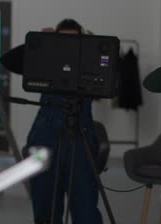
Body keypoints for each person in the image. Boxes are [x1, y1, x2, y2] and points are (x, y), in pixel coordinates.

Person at [23, 19, 103, 224]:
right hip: (44, 138)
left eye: (73, 41)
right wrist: (42, 42)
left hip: (80, 137)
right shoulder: (45, 60)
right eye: (62, 40)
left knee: (85, 208)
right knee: (44, 207)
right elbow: (9, 60)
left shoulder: (88, 64)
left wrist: (93, 50)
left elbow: (109, 81)